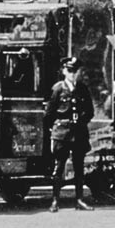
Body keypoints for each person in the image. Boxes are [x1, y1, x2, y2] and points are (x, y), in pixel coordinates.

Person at [44, 56, 95, 212]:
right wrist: (53, 130)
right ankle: (55, 200)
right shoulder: (58, 89)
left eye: (75, 71)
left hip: (78, 133)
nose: (72, 74)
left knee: (79, 168)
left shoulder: (83, 89)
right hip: (62, 133)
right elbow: (49, 113)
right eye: (70, 71)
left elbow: (90, 111)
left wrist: (81, 122)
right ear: (64, 71)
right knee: (59, 167)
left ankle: (79, 200)